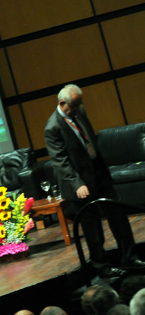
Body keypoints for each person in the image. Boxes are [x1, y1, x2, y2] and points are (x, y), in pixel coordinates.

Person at [44, 84, 145, 278]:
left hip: (98, 175)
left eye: (78, 105)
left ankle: (130, 258)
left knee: (119, 217)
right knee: (93, 229)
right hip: (79, 183)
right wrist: (77, 184)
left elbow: (89, 141)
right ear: (62, 103)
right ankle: (103, 269)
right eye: (73, 106)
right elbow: (61, 161)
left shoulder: (79, 111)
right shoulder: (52, 128)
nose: (76, 110)